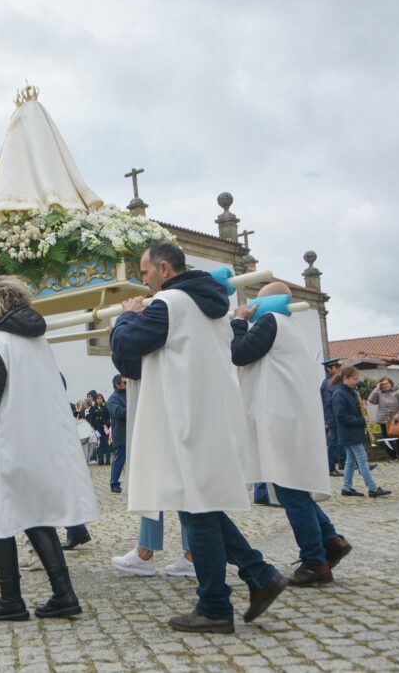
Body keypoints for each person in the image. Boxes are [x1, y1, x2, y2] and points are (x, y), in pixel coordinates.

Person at [110, 240, 286, 634]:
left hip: (184, 419)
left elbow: (125, 353)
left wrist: (125, 317)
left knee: (198, 511)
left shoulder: (168, 304)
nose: (145, 281)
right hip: (209, 416)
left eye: (145, 273)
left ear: (166, 270)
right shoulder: (216, 310)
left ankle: (215, 606)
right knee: (200, 507)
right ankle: (259, 574)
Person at [0, 276, 98, 621]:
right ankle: (64, 594)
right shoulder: (36, 341)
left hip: (4, 446)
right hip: (34, 442)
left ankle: (11, 600)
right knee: (36, 517)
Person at [231, 282, 353, 586]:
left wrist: (238, 322)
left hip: (279, 417)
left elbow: (240, 353)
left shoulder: (271, 323)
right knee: (294, 488)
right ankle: (331, 541)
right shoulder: (292, 328)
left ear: (262, 304)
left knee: (289, 490)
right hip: (292, 416)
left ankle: (314, 560)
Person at [330, 366, 392, 498]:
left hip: (353, 431)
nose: (356, 381)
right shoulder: (339, 394)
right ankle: (372, 488)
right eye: (354, 379)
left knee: (351, 461)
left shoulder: (350, 391)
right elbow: (341, 416)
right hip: (349, 432)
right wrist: (361, 420)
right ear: (345, 378)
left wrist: (361, 408)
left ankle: (347, 487)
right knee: (362, 460)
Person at [368, 377, 399, 461]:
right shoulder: (379, 393)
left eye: (387, 383)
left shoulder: (398, 392)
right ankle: (392, 457)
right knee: (387, 439)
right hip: (384, 420)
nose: (385, 385)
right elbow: (371, 400)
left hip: (397, 419)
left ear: (391, 383)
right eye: (383, 384)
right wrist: (376, 389)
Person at [320, 358, 344, 475]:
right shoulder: (328, 383)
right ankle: (330, 468)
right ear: (328, 369)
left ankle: (344, 462)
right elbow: (329, 401)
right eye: (336, 367)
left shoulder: (335, 381)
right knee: (333, 442)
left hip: (335, 416)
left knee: (341, 440)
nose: (339, 368)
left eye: (339, 366)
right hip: (333, 416)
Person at [106, 375, 128, 493]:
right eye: (125, 383)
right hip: (121, 434)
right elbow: (119, 413)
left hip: (129, 433)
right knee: (119, 458)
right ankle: (114, 483)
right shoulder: (112, 399)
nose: (127, 384)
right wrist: (133, 407)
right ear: (117, 384)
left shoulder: (128, 394)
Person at [87, 393, 110, 465]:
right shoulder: (93, 409)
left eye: (100, 398)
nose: (99, 400)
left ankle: (108, 460)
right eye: (98, 399)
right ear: (96, 400)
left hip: (105, 428)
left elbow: (109, 417)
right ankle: (101, 460)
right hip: (97, 429)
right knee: (99, 445)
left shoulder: (106, 408)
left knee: (107, 444)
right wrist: (93, 427)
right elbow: (91, 419)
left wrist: (106, 424)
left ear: (102, 399)